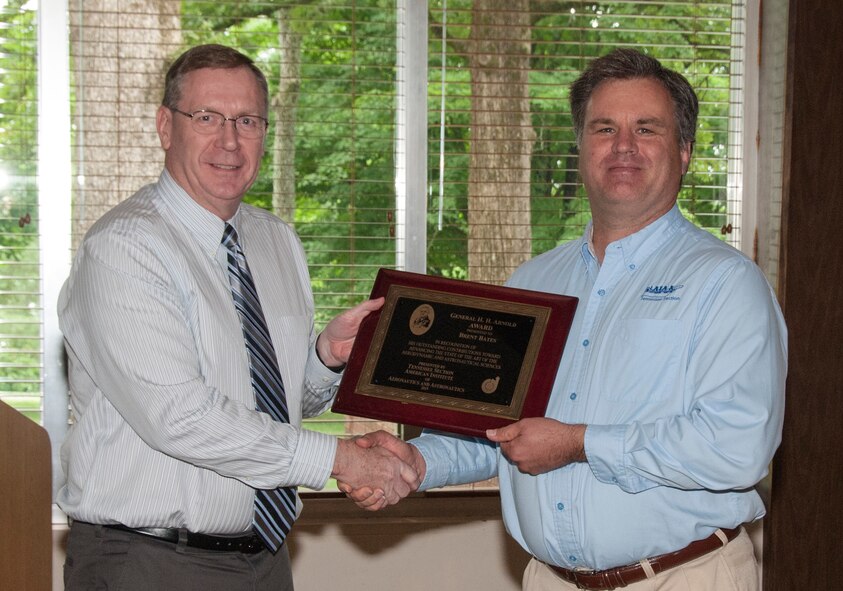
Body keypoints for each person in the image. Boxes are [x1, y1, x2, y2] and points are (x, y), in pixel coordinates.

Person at [346, 48, 787, 591]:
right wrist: (414, 460)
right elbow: (499, 429)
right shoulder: (532, 283)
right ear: (581, 148)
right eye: (604, 128)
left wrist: (580, 442)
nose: (623, 146)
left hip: (683, 578)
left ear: (685, 151)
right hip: (549, 580)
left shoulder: (726, 284)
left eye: (646, 128)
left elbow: (736, 447)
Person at [58, 44, 419, 591]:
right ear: (165, 125)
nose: (229, 141)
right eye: (207, 117)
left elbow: (265, 407)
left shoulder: (275, 242)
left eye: (247, 121)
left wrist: (324, 358)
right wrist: (343, 459)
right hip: (149, 561)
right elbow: (182, 417)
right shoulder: (125, 247)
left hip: (264, 558)